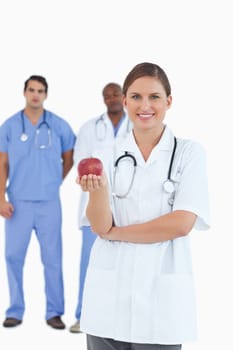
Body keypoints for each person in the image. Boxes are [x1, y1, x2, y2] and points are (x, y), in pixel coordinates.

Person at [77, 63, 210, 349]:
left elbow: (181, 224)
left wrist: (117, 233)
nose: (145, 105)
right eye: (136, 97)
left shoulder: (188, 153)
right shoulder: (105, 155)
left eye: (154, 97)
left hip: (160, 305)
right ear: (124, 101)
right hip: (107, 299)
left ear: (168, 102)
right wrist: (97, 194)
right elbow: (101, 226)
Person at [0, 75, 76, 329]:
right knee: (13, 257)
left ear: (46, 94)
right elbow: (2, 164)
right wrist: (1, 197)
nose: (35, 94)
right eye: (31, 90)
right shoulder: (10, 126)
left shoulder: (58, 125)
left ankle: (54, 312)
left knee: (53, 259)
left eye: (40, 90)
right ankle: (15, 310)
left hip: (48, 203)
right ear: (24, 92)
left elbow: (69, 158)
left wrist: (55, 181)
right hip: (18, 202)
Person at [69, 82, 132, 333]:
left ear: (124, 97)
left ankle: (122, 318)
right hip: (94, 206)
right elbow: (80, 162)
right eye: (107, 96)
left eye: (115, 94)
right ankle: (83, 316)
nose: (111, 98)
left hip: (128, 206)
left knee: (127, 264)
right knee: (90, 265)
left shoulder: (137, 126)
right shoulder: (89, 128)